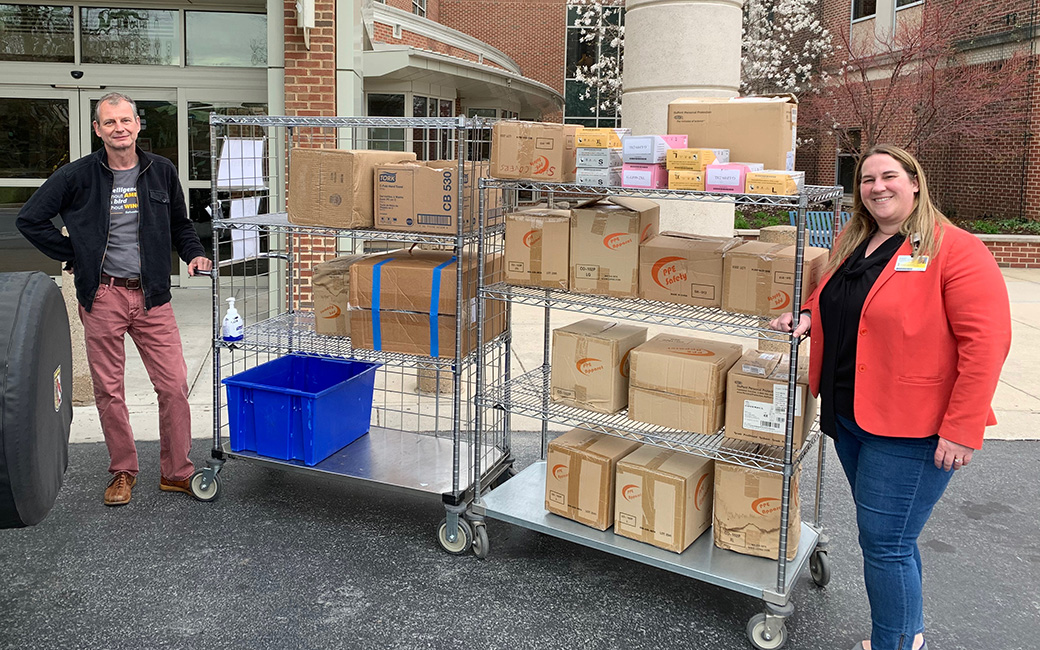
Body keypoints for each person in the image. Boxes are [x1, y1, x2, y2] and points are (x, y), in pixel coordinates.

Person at [770, 145, 1011, 650]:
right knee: (893, 540)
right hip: (852, 414)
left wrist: (962, 428)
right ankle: (908, 634)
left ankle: (894, 643)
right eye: (866, 180)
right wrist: (809, 317)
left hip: (912, 428)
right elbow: (831, 294)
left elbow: (985, 344)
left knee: (886, 544)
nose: (877, 187)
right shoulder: (854, 240)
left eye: (889, 176)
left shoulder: (955, 248)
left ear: (915, 182)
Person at [16, 92, 213, 507]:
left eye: (125, 120)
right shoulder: (77, 176)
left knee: (174, 386)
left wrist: (194, 253)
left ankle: (176, 471)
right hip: (102, 294)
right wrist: (74, 253)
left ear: (138, 124)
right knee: (109, 389)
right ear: (97, 129)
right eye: (109, 122)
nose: (119, 128)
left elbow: (181, 223)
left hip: (153, 297)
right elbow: (29, 218)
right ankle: (123, 470)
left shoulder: (160, 171)